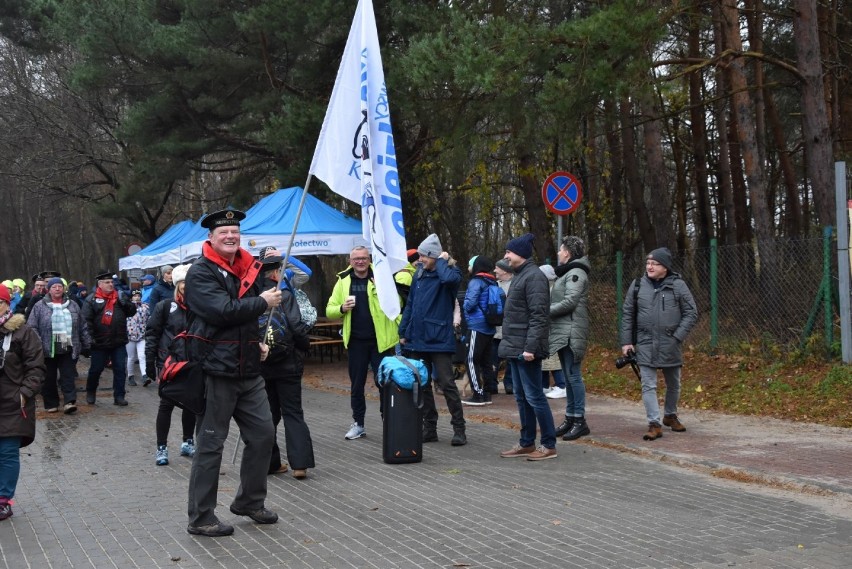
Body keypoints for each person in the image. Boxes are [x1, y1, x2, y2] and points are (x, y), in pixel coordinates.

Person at [183, 208, 281, 538]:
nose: (230, 236)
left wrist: (257, 343)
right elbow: (223, 312)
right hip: (215, 371)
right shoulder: (200, 273)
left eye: (235, 231)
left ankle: (249, 501)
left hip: (248, 369)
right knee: (211, 444)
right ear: (210, 238)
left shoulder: (246, 269)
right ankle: (201, 516)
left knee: (264, 434)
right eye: (223, 232)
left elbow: (244, 320)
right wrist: (263, 302)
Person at [620, 247, 698, 441]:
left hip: (670, 343)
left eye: (655, 263)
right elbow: (628, 314)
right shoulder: (637, 285)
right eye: (648, 262)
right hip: (645, 342)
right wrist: (627, 342)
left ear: (665, 267)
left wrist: (677, 337)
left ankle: (670, 415)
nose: (650, 266)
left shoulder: (678, 285)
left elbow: (691, 313)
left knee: (674, 384)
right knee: (648, 385)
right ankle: (654, 424)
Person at [326, 245, 401, 440]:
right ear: (350, 261)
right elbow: (329, 310)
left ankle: (390, 422)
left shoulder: (381, 278)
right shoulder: (343, 281)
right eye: (356, 258)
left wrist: (402, 330)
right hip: (356, 342)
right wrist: (342, 308)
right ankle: (358, 424)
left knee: (384, 383)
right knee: (356, 385)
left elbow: (397, 305)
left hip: (381, 342)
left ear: (369, 260)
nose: (360, 261)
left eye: (364, 258)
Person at [398, 234, 467, 446]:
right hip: (417, 338)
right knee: (422, 383)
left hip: (438, 338)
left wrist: (442, 261)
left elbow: (448, 280)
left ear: (434, 256)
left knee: (446, 383)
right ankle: (430, 427)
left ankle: (459, 428)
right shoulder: (419, 273)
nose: (419, 259)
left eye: (424, 255)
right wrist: (403, 330)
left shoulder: (450, 273)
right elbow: (411, 304)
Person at [498, 233, 557, 461]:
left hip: (526, 349)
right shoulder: (521, 276)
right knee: (522, 397)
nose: (506, 256)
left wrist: (530, 348)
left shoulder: (533, 278)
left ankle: (548, 444)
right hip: (516, 347)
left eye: (509, 252)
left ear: (520, 254)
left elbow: (538, 316)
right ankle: (526, 442)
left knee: (534, 397)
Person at [257, 249, 314, 479]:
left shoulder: (252, 295)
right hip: (288, 364)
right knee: (292, 412)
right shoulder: (284, 294)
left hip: (262, 364)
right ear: (277, 271)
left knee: (268, 414)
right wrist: (304, 346)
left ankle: (270, 463)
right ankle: (299, 465)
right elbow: (296, 326)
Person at [0, 283, 46, 522]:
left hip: (13, 402)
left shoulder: (22, 332)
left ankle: (4, 500)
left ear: (7, 304)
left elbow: (36, 367)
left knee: (7, 452)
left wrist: (25, 393)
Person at [145, 264, 197, 466]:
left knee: (191, 404)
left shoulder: (199, 307)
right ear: (177, 284)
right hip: (169, 363)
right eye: (182, 282)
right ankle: (161, 447)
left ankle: (187, 441)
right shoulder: (165, 306)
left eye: (189, 282)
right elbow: (152, 334)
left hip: (192, 363)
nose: (186, 286)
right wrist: (150, 361)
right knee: (166, 405)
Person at [27, 277, 90, 414]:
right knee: (49, 378)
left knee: (68, 376)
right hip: (47, 348)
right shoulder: (39, 306)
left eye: (59, 286)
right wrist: (39, 343)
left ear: (64, 289)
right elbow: (32, 327)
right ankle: (51, 403)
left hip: (68, 346)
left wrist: (86, 343)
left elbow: (82, 325)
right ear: (48, 289)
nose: (57, 289)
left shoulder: (72, 304)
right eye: (54, 287)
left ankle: (69, 402)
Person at [549, 236, 592, 441]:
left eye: (560, 249)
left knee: (573, 376)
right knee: (568, 376)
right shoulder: (568, 272)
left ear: (567, 252)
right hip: (564, 329)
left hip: (572, 330)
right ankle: (570, 417)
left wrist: (545, 312)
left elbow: (570, 301)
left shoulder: (576, 272)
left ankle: (579, 420)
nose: (558, 253)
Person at [82, 270, 137, 406]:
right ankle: (91, 391)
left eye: (112, 282)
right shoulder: (92, 299)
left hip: (118, 341)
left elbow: (132, 312)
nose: (110, 284)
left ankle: (119, 396)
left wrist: (127, 303)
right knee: (96, 369)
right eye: (107, 282)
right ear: (100, 284)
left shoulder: (120, 296)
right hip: (99, 342)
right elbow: (86, 321)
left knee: (119, 369)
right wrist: (89, 339)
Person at [460, 255, 497, 406]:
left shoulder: (476, 281)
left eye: (470, 265)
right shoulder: (492, 281)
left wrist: (466, 306)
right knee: (485, 361)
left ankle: (477, 394)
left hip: (477, 325)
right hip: (489, 326)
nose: (468, 268)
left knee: (471, 360)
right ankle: (487, 392)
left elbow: (470, 303)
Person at [539, 264, 568, 399]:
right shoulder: (546, 289)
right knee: (544, 358)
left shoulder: (553, 290)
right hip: (545, 328)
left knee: (553, 359)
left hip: (553, 329)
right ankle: (544, 385)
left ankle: (562, 385)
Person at [490, 259, 514, 395]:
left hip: (510, 331)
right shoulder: (494, 285)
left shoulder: (515, 285)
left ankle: (509, 383)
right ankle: (492, 384)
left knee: (511, 360)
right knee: (493, 359)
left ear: (504, 270)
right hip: (495, 331)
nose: (494, 271)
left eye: (497, 268)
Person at [125, 289, 150, 387]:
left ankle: (144, 375)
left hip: (141, 335)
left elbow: (149, 319)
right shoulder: (127, 307)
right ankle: (130, 376)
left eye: (139, 295)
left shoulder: (145, 307)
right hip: (129, 336)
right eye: (135, 296)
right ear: (131, 297)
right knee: (131, 357)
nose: (137, 297)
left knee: (142, 356)